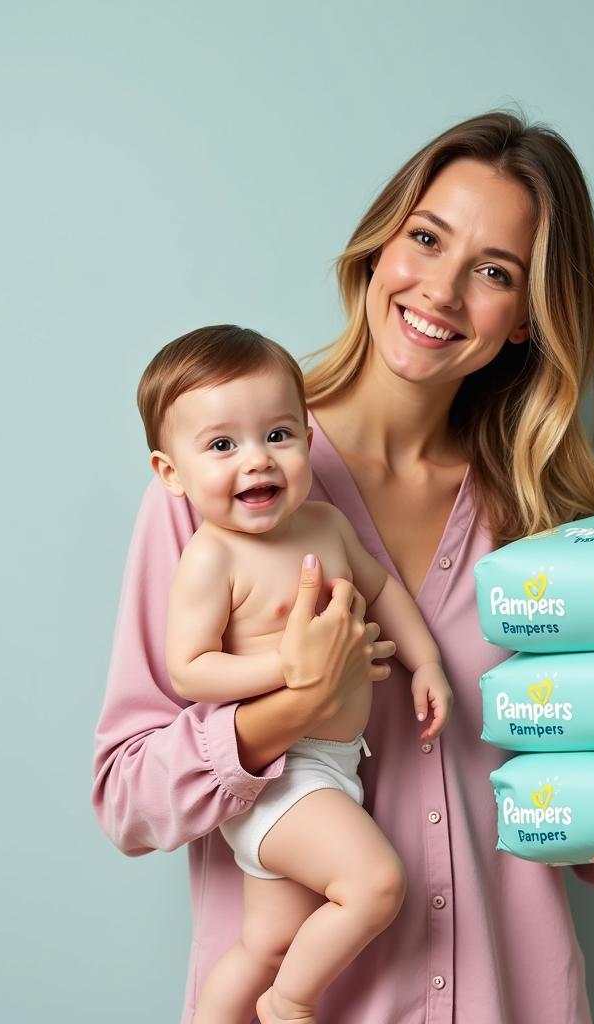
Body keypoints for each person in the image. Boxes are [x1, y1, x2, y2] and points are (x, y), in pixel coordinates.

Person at [93, 111, 594, 1024]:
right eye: (427, 238)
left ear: (524, 318)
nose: (440, 289)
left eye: (493, 272)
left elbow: (567, 813)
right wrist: (288, 708)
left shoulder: (545, 529)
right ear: (377, 249)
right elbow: (128, 796)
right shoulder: (219, 485)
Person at [137, 325, 453, 1024]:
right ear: (171, 473)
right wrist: (286, 666)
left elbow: (383, 588)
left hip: (336, 766)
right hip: (281, 776)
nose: (257, 461)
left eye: (277, 435)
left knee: (267, 941)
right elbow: (189, 669)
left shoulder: (326, 525)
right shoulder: (210, 557)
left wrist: (425, 660)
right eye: (222, 446)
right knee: (374, 884)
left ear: (308, 439)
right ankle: (292, 1005)